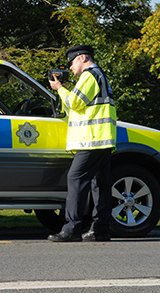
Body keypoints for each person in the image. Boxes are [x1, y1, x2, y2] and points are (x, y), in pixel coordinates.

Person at [47, 45, 117, 242]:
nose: (70, 68)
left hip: (91, 140)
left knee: (75, 179)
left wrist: (60, 89)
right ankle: (100, 230)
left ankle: (71, 229)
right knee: (100, 185)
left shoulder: (89, 75)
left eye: (71, 63)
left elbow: (75, 103)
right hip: (102, 139)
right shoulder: (100, 76)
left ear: (83, 58)